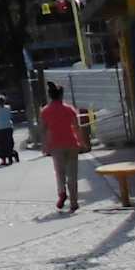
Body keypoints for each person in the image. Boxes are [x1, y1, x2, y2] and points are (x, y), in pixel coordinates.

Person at [40, 82, 86, 212]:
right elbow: (76, 127)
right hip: (71, 144)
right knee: (72, 175)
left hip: (55, 145)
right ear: (61, 95)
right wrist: (82, 142)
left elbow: (43, 130)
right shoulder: (69, 109)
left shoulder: (45, 111)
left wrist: (45, 146)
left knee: (60, 173)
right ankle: (74, 202)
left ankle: (62, 193)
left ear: (50, 95)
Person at [0, 95, 18, 167]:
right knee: (9, 141)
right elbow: (11, 116)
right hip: (9, 127)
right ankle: (10, 156)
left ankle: (3, 158)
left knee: (0, 143)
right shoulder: (8, 107)